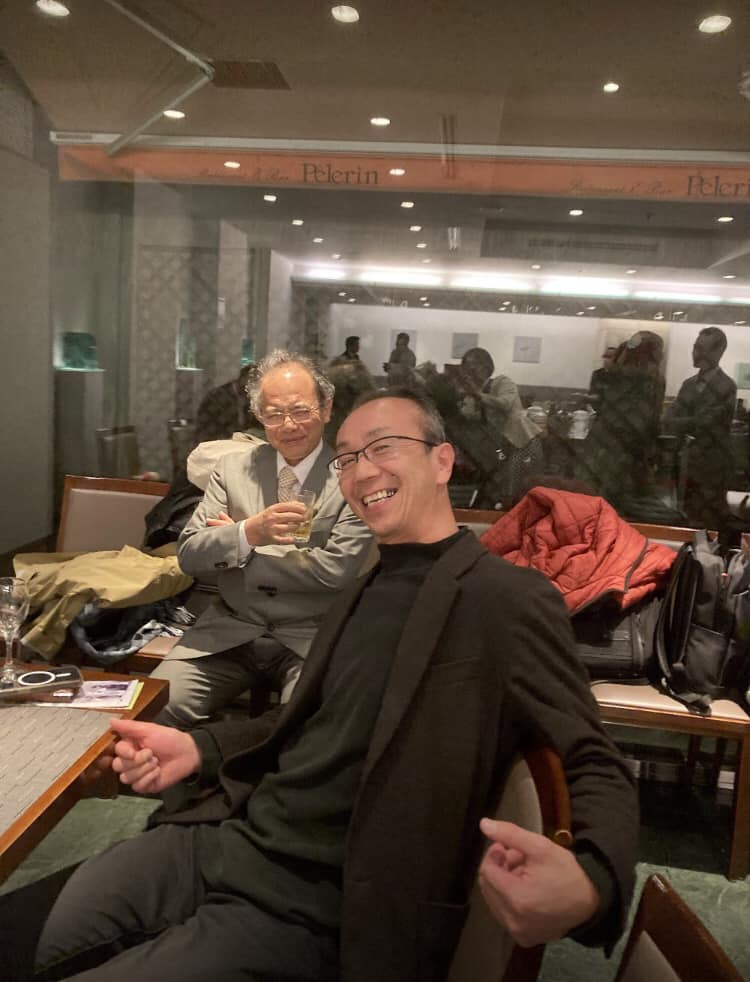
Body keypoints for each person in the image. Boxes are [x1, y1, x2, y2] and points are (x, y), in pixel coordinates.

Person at [32, 388, 638, 982]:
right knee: (34, 930)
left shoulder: (502, 599)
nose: (361, 470)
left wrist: (593, 882)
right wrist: (200, 747)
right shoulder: (364, 588)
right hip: (229, 837)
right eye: (346, 458)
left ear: (442, 461)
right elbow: (318, 716)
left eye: (383, 447)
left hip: (316, 901)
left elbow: (593, 757)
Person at [150, 350, 373, 729]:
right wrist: (250, 531)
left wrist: (238, 548)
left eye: (301, 411)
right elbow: (189, 555)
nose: (289, 425)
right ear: (259, 416)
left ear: (326, 409)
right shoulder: (232, 470)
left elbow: (334, 571)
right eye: (274, 414)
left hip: (310, 638)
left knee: (304, 727)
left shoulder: (352, 479)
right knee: (155, 707)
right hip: (229, 631)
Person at [582, 331, 665, 507]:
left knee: (601, 495)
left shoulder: (616, 375)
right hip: (629, 447)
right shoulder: (653, 378)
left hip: (609, 445)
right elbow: (653, 418)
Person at [667, 326, 737, 528]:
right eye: (695, 347)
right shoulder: (688, 384)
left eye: (701, 349)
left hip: (712, 466)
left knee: (709, 519)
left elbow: (706, 423)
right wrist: (689, 422)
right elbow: (671, 419)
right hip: (686, 463)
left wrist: (684, 423)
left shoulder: (727, 386)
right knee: (684, 515)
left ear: (718, 351)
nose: (695, 353)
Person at [456, 346, 543, 506]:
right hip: (500, 447)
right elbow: (470, 416)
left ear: (486, 367)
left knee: (514, 489)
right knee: (500, 489)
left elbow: (505, 404)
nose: (469, 371)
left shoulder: (502, 382)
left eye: (473, 366)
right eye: (466, 367)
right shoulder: (475, 391)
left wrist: (477, 395)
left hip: (522, 443)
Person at [194, 363, 261, 444]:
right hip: (217, 442)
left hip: (243, 442)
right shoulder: (217, 397)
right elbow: (208, 429)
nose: (256, 386)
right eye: (254, 382)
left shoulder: (251, 397)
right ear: (243, 378)